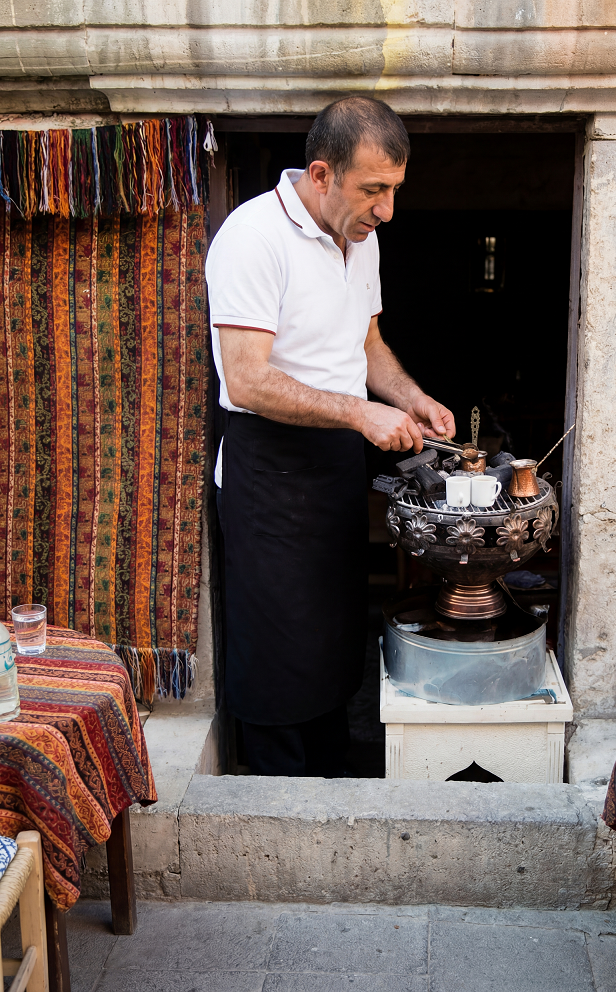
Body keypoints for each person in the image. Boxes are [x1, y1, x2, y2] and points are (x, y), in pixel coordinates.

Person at [206, 96, 455, 777]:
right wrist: (358, 414)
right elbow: (249, 379)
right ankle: (278, 798)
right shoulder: (252, 236)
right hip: (268, 469)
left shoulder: (360, 238)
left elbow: (366, 342)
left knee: (334, 634)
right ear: (321, 174)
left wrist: (410, 398)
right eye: (372, 190)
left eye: (395, 190)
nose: (386, 211)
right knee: (278, 645)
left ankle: (330, 773)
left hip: (336, 467)